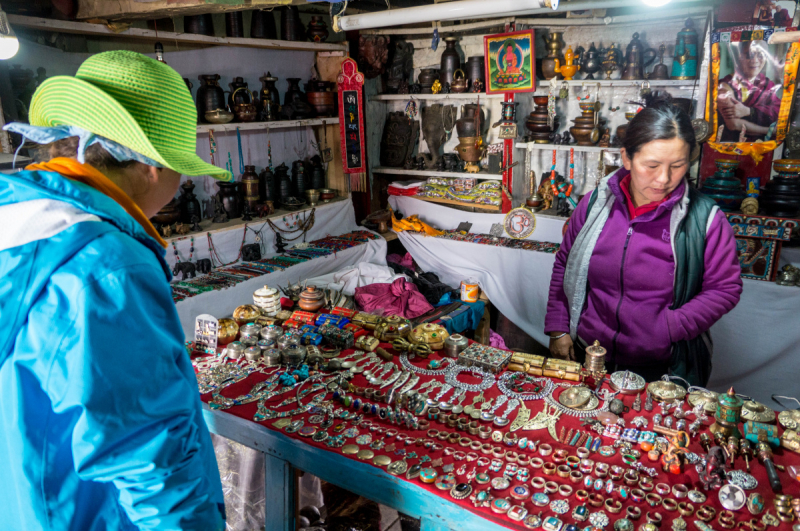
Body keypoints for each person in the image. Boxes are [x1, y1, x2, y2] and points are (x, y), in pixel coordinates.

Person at [0, 51, 231, 529]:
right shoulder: (108, 268)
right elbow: (152, 461)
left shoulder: (18, 216)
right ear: (150, 166)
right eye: (177, 164)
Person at [545, 97, 743, 385]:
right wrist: (558, 328)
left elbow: (725, 288)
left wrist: (668, 327)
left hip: (662, 367)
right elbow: (566, 263)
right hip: (587, 352)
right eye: (651, 165)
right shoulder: (594, 205)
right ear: (627, 158)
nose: (663, 179)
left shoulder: (706, 219)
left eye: (677, 165)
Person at [717, 40, 781, 142]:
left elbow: (779, 114)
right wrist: (771, 131)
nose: (754, 60)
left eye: (760, 55)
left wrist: (748, 111)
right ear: (739, 56)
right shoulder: (725, 86)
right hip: (732, 146)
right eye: (749, 55)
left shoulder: (768, 85)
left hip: (763, 146)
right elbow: (734, 124)